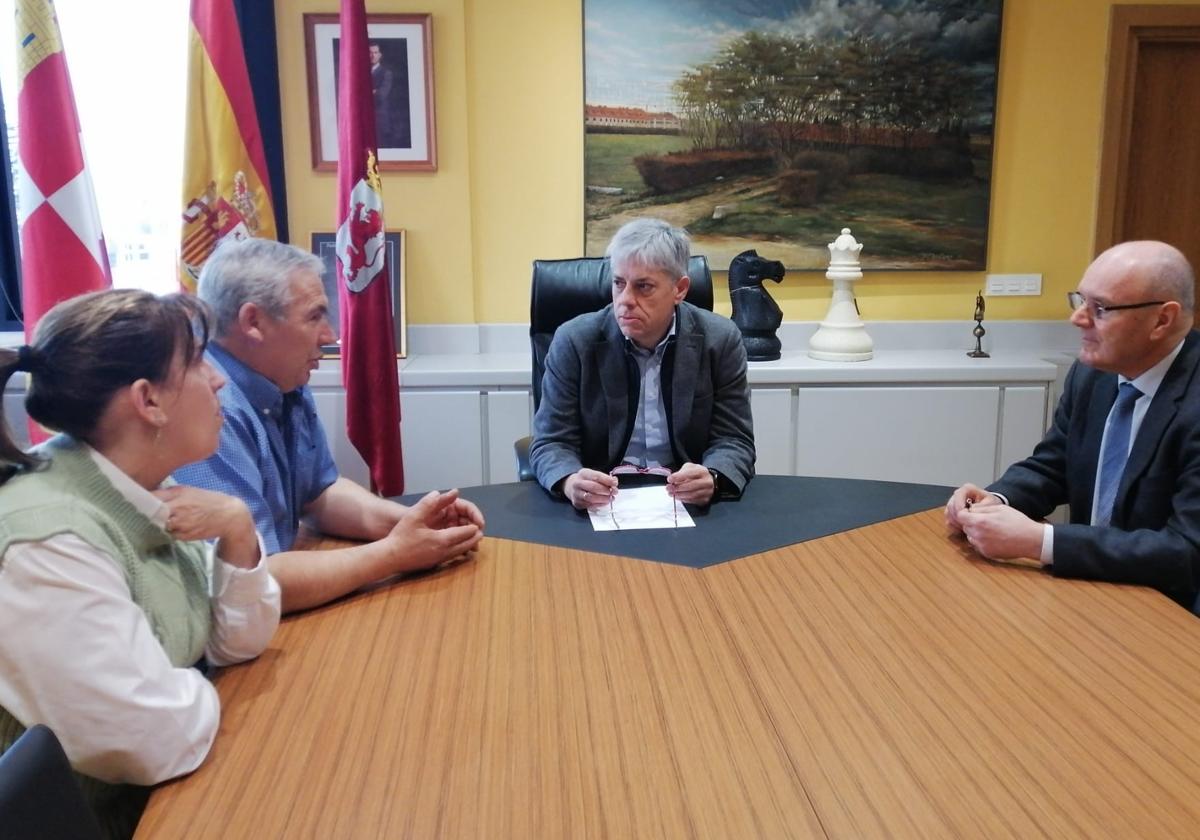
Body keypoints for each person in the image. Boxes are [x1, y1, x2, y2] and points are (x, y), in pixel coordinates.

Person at [0, 290, 280, 838]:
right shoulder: (45, 539)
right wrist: (199, 681)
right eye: (198, 364)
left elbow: (235, 643)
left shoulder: (141, 486)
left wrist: (237, 525)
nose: (219, 380)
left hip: (166, 801)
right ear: (149, 401)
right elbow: (144, 740)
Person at [173, 238, 484, 614]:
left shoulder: (283, 377)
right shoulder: (204, 405)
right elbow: (250, 585)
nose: (330, 334)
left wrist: (410, 522)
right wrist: (393, 554)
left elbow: (320, 493)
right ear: (253, 322)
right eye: (314, 316)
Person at [945, 240, 1200, 611]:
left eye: (1100, 308)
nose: (1077, 319)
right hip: (1093, 589)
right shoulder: (1093, 372)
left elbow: (1188, 553)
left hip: (1173, 610)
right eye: (1079, 300)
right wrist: (995, 501)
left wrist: (1041, 542)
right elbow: (1054, 464)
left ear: (1162, 319)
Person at [529, 217, 755, 509]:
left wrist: (712, 476)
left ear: (680, 289)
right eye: (619, 283)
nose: (625, 300)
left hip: (681, 501)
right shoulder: (574, 341)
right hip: (602, 500)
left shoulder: (720, 340)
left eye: (643, 287)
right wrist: (571, 481)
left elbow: (734, 439)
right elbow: (550, 442)